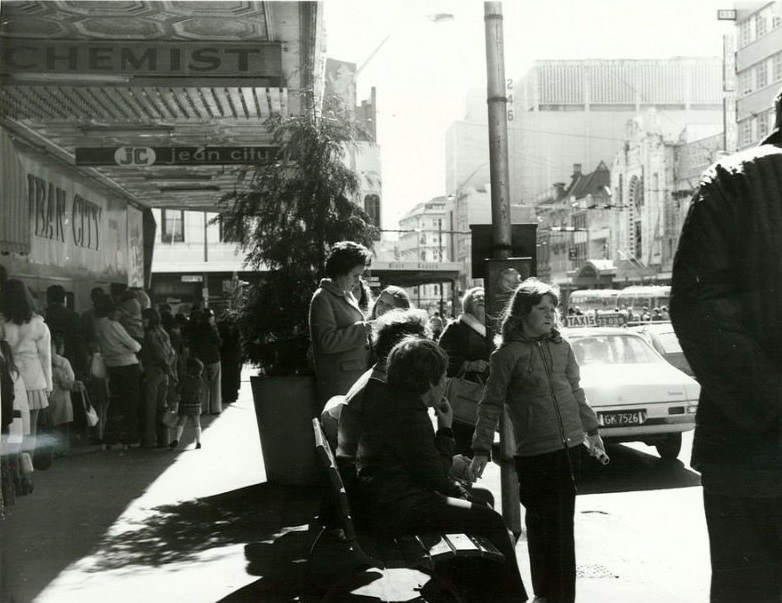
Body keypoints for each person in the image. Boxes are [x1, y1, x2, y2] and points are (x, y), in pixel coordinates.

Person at [669, 86, 782, 603]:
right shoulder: (739, 182)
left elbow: (698, 307)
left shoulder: (734, 179)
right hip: (754, 455)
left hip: (749, 450)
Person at [356, 337, 528, 603]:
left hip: (390, 502)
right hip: (400, 510)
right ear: (428, 382)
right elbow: (434, 477)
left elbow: (427, 470)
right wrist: (446, 429)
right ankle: (510, 599)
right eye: (443, 376)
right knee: (490, 520)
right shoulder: (409, 417)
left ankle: (473, 591)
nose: (446, 382)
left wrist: (459, 490)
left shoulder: (393, 402)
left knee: (481, 503)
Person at [469, 277, 606, 603]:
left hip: (569, 449)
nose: (549, 315)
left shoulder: (562, 347)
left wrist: (593, 432)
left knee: (563, 531)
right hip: (536, 456)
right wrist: (480, 449)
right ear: (522, 314)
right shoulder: (507, 354)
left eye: (552, 309)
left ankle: (563, 598)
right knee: (544, 530)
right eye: (541, 309)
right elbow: (490, 403)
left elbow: (576, 392)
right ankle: (545, 595)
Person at [309, 241, 373, 408]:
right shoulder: (322, 297)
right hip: (338, 383)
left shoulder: (347, 295)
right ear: (341, 272)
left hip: (352, 379)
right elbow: (326, 342)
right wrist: (364, 329)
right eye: (355, 275)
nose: (358, 281)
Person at [1, 279, 52, 459]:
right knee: (30, 431)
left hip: (7, 382)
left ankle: (9, 471)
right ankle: (26, 471)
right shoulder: (39, 325)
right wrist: (49, 385)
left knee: (8, 429)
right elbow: (46, 357)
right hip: (34, 382)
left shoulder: (1, 323)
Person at [438, 286, 492, 455]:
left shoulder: (492, 329)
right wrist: (469, 365)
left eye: (484, 296)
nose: (481, 298)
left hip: (485, 394)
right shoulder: (456, 327)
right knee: (461, 442)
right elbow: (442, 356)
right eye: (476, 297)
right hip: (462, 396)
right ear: (468, 303)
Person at [94, 294, 141, 452]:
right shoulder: (114, 325)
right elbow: (134, 346)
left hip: (112, 367)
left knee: (114, 403)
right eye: (118, 311)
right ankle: (129, 438)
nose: (120, 314)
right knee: (130, 404)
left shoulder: (98, 324)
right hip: (127, 366)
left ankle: (109, 438)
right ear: (111, 310)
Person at [140, 308, 175, 448]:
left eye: (144, 318)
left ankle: (148, 440)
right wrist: (168, 369)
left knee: (150, 407)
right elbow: (171, 353)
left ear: (150, 319)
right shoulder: (163, 332)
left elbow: (157, 353)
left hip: (153, 372)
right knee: (162, 407)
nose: (142, 321)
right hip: (163, 373)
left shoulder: (150, 334)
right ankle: (163, 439)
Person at [48, 333, 84, 457]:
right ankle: (62, 449)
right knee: (63, 426)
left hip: (49, 397)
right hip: (62, 398)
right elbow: (69, 380)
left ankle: (52, 450)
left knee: (52, 425)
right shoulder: (63, 363)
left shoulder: (44, 362)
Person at [189, 308, 222, 415]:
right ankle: (215, 408)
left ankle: (203, 408)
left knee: (203, 384)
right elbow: (218, 342)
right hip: (214, 358)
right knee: (215, 383)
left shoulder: (196, 330)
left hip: (202, 360)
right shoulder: (212, 329)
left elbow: (193, 345)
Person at [169, 357, 204, 450]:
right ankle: (198, 442)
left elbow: (178, 390)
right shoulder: (200, 380)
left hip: (185, 403)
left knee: (181, 422)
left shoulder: (185, 379)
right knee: (196, 423)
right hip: (196, 403)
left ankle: (176, 439)